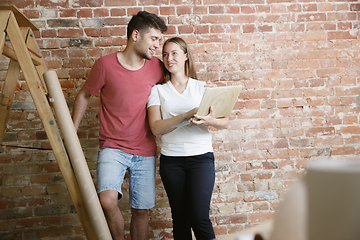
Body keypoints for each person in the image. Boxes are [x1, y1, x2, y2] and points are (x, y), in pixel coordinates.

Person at [72, 11, 167, 240]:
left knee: (141, 210)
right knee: (106, 200)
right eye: (154, 38)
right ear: (135, 35)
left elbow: (179, 83)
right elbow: (84, 95)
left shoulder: (157, 67)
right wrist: (71, 132)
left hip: (145, 148)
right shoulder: (105, 65)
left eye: (159, 40)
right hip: (112, 146)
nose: (158, 45)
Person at [147, 37, 229, 239]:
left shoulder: (203, 87)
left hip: (201, 158)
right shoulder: (157, 90)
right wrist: (186, 115)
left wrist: (210, 120)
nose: (169, 58)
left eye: (174, 53)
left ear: (185, 56)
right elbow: (156, 128)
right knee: (180, 219)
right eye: (165, 54)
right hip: (172, 162)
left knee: (199, 217)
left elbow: (224, 121)